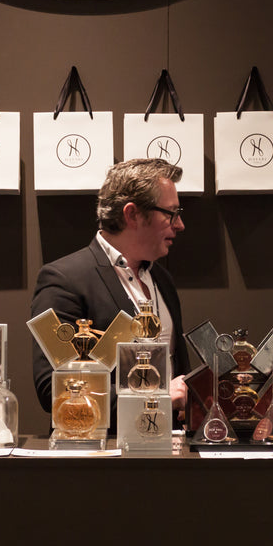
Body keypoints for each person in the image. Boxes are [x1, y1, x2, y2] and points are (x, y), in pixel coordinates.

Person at [31, 158, 191, 420]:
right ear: (132, 214)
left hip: (169, 451)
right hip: (103, 454)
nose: (180, 224)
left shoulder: (163, 279)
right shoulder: (63, 279)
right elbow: (54, 388)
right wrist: (155, 397)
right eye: (171, 213)